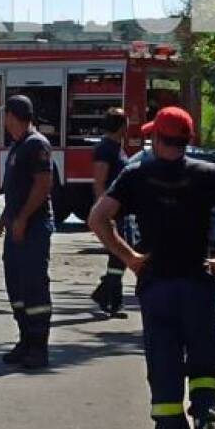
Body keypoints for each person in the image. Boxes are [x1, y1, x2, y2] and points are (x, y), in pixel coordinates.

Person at [89, 106, 215, 429]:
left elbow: (98, 218)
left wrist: (130, 258)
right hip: (197, 285)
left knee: (164, 373)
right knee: (204, 366)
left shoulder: (136, 174)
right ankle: (207, 428)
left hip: (157, 288)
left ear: (155, 138)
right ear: (188, 140)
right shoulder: (212, 175)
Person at [0, 95, 55, 370]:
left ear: (14, 116)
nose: (3, 120)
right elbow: (17, 188)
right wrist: (5, 217)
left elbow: (42, 186)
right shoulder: (19, 145)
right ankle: (25, 340)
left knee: (33, 286)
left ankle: (38, 347)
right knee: (16, 286)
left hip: (33, 228)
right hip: (17, 224)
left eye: (5, 115)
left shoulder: (36, 144)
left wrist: (22, 219)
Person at [90, 108, 130, 316]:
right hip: (112, 211)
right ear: (121, 126)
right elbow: (99, 182)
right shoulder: (105, 149)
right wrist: (103, 213)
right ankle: (112, 300)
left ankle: (105, 294)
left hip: (122, 210)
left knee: (121, 254)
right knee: (119, 255)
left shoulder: (117, 147)